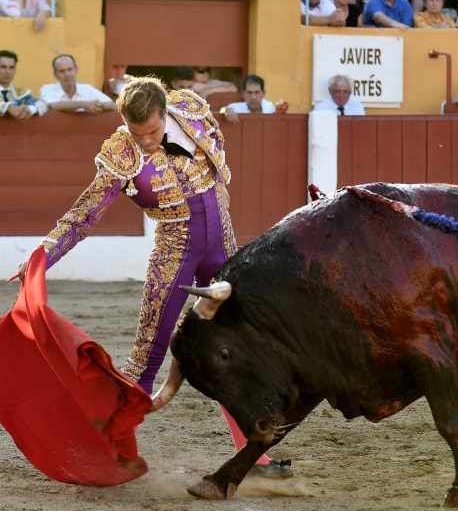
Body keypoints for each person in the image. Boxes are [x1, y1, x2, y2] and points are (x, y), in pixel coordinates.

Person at [15, 75, 292, 479]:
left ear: (166, 112)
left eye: (151, 132)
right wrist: (43, 254)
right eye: (134, 132)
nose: (144, 142)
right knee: (146, 358)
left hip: (224, 248)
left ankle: (254, 457)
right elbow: (84, 215)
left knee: (238, 351)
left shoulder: (193, 110)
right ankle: (110, 450)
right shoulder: (121, 154)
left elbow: (217, 156)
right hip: (174, 254)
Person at [0, 49, 48, 120]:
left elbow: (42, 103)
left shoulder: (19, 91)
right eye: (3, 67)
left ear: (15, 70)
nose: (7, 72)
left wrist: (31, 109)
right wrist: (9, 108)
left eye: (11, 68)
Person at [40, 54, 117, 113]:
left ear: (76, 70)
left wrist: (93, 105)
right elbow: (52, 106)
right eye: (62, 71)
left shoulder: (87, 89)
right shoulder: (47, 89)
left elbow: (111, 105)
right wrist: (84, 105)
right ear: (55, 75)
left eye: (69, 69)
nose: (67, 74)